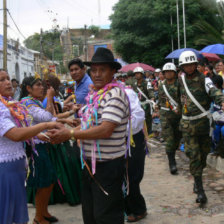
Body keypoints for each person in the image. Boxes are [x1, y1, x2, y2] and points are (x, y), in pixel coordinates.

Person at [48, 47, 130, 224]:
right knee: (91, 215)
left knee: (106, 216)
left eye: (103, 70)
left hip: (107, 166)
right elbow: (93, 123)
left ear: (113, 71)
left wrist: (70, 133)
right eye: (94, 70)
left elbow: (106, 129)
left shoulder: (115, 95)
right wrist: (76, 125)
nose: (97, 74)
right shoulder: (97, 93)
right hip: (90, 165)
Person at [0, 70, 60, 224]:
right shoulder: (5, 107)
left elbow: (22, 128)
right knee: (6, 213)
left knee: (15, 213)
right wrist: (45, 126)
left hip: (16, 167)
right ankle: (40, 216)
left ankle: (42, 214)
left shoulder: (8, 104)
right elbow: (14, 134)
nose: (8, 82)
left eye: (7, 78)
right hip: (5, 169)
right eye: (2, 80)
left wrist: (38, 135)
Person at [178, 51, 224, 205]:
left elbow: (214, 92)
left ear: (196, 65)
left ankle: (197, 179)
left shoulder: (205, 79)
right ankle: (200, 189)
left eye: (191, 64)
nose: (189, 67)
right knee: (194, 156)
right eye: (186, 65)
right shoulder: (180, 81)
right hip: (187, 125)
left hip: (203, 125)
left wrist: (222, 100)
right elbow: (177, 99)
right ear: (182, 66)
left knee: (203, 156)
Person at [20, 76, 63, 224]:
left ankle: (44, 212)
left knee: (49, 180)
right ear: (28, 89)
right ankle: (38, 217)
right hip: (36, 147)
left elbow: (52, 120)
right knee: (43, 182)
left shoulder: (35, 102)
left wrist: (66, 120)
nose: (42, 87)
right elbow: (47, 117)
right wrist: (50, 98)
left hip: (43, 145)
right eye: (38, 85)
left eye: (42, 85)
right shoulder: (27, 103)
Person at [42, 75, 82, 206]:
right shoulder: (46, 100)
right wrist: (70, 114)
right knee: (61, 168)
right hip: (53, 135)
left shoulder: (52, 98)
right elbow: (52, 117)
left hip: (58, 132)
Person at [124, 88, 147, 222]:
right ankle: (126, 208)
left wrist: (115, 127)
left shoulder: (127, 92)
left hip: (131, 139)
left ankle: (138, 209)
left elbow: (137, 117)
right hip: (114, 139)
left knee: (132, 176)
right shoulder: (96, 93)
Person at [158, 63, 182, 175]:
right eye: (166, 72)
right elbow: (161, 100)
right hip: (165, 116)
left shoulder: (180, 85)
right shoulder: (161, 86)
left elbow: (184, 99)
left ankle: (173, 153)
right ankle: (172, 163)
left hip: (178, 115)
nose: (168, 73)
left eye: (170, 71)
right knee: (170, 140)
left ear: (175, 73)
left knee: (177, 138)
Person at [132, 66, 154, 134]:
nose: (137, 75)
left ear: (142, 74)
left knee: (147, 120)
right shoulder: (134, 84)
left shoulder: (147, 83)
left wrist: (152, 100)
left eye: (138, 73)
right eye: (136, 74)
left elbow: (151, 93)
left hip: (146, 105)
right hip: (137, 105)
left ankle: (148, 133)